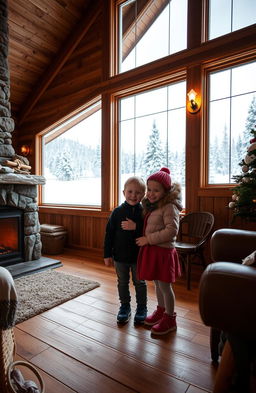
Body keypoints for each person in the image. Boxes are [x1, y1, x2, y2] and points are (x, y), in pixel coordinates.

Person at [136, 167, 182, 335]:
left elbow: (171, 231)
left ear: (166, 191)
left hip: (164, 253)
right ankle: (161, 310)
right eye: (149, 189)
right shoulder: (154, 207)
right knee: (157, 283)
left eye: (156, 190)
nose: (151, 193)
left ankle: (170, 318)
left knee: (165, 286)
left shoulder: (169, 207)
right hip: (154, 251)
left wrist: (148, 239)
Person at [104, 176, 147, 324]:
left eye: (138, 192)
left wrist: (136, 227)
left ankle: (142, 308)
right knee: (122, 282)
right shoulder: (117, 212)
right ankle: (125, 306)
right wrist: (107, 254)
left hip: (138, 256)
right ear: (123, 192)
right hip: (120, 256)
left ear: (144, 194)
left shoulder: (144, 213)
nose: (133, 195)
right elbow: (109, 233)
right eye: (130, 191)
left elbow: (149, 232)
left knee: (140, 283)